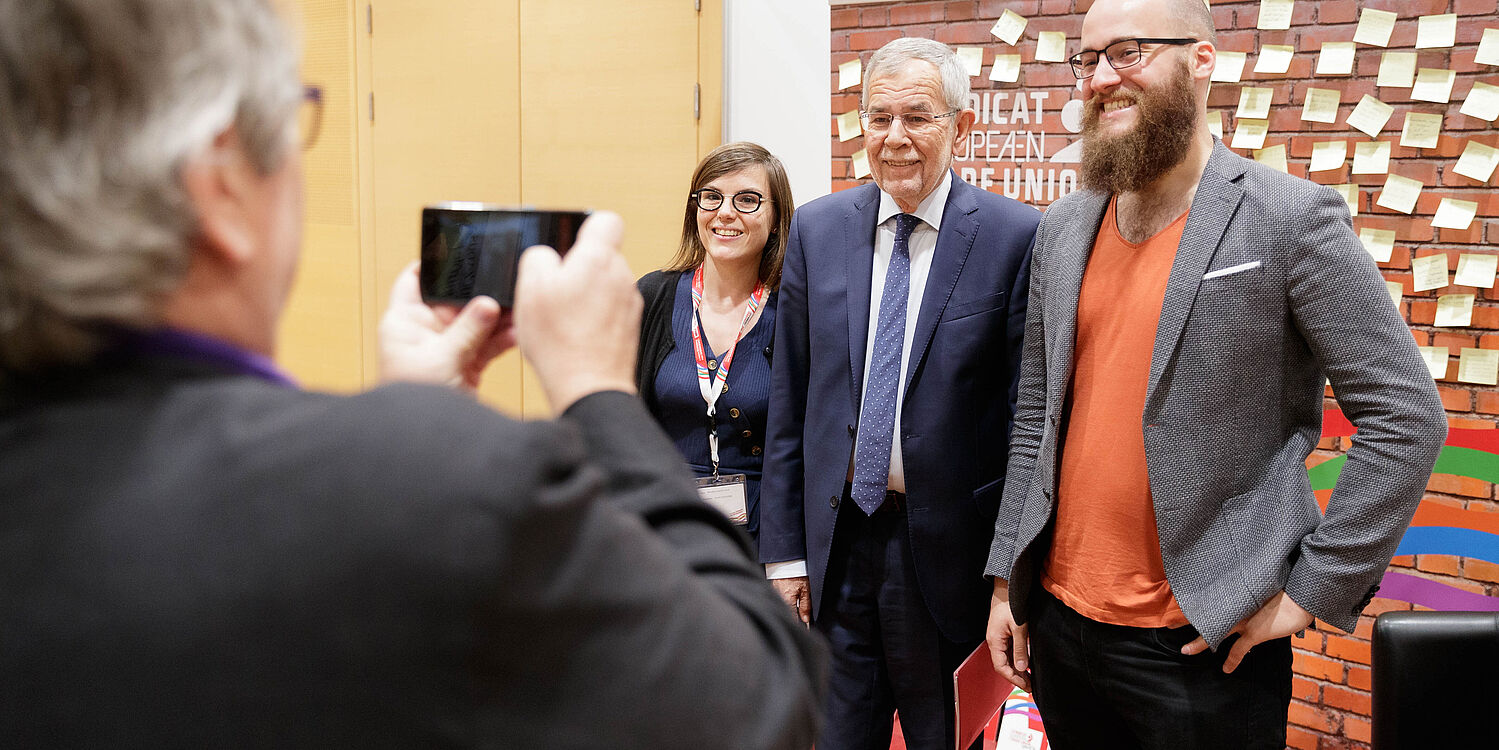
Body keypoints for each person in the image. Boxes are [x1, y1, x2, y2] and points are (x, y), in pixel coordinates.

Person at [0, 1, 825, 748]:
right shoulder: (436, 473)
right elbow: (756, 703)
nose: (724, 213)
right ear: (220, 184)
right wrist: (597, 395)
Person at [984, 1, 1447, 748]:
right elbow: (1036, 414)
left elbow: (1405, 417)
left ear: (1201, 60)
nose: (1100, 78)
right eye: (1087, 58)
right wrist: (1010, 577)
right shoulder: (1064, 226)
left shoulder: (1289, 218)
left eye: (1127, 52)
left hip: (1198, 645)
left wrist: (1311, 590)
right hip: (1062, 627)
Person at [759, 37, 1039, 750]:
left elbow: (1023, 423)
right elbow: (792, 405)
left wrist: (1009, 576)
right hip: (835, 546)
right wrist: (785, 555)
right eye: (877, 118)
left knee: (944, 735)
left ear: (960, 126)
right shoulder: (818, 230)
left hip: (949, 556)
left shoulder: (1014, 237)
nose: (894, 139)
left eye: (917, 117)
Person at [636, 142, 794, 550]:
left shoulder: (795, 312)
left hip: (763, 534)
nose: (725, 212)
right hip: (663, 530)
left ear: (776, 218)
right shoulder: (652, 297)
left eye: (747, 200)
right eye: (712, 197)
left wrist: (791, 559)